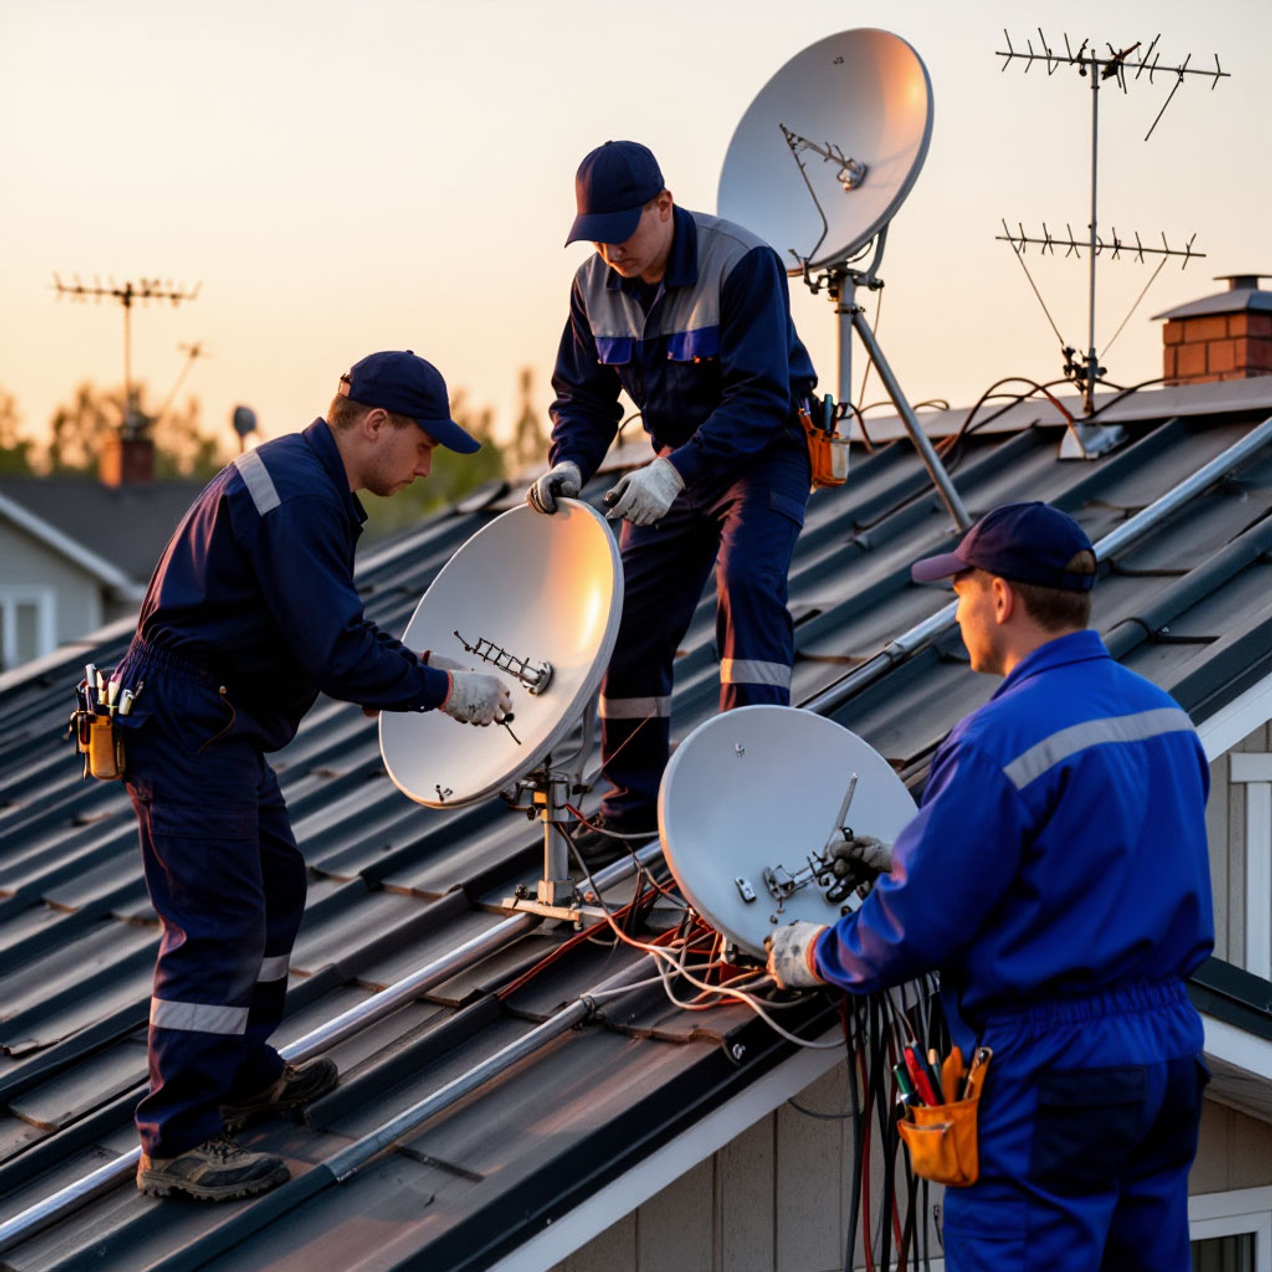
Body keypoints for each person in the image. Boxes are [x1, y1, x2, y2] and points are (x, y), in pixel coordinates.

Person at [767, 502, 1215, 1271]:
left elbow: (918, 923)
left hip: (1052, 1065)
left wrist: (815, 955)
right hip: (1167, 1049)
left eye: (961, 593)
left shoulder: (998, 735)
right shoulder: (1164, 715)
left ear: (1001, 597)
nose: (958, 614)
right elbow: (1100, 863)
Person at [111, 350, 513, 1201]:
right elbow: (334, 649)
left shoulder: (304, 482)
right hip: (190, 725)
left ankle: (241, 1072)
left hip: (218, 722)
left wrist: (401, 669)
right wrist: (442, 689)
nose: (425, 465)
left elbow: (316, 634)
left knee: (275, 887)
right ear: (374, 424)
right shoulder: (298, 497)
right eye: (421, 445)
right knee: (220, 923)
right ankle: (177, 1140)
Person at [528, 139, 816, 862]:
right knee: (627, 616)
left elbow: (759, 399)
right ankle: (632, 803)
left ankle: (752, 790)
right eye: (598, 235)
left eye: (624, 230)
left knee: (745, 583)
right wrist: (569, 463)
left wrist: (675, 472)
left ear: (664, 205)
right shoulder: (591, 286)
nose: (611, 249)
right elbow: (584, 397)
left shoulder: (740, 263)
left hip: (761, 451)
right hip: (674, 465)